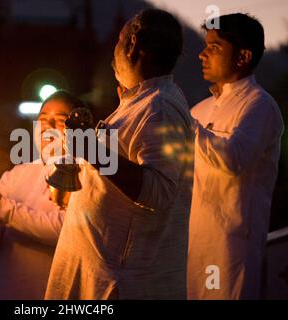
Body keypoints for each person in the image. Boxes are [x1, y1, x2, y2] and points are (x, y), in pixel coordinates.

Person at [44, 9, 194, 299]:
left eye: (118, 40)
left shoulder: (159, 107)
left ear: (134, 43)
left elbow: (160, 191)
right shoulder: (142, 102)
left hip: (117, 283)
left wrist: (90, 148)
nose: (114, 51)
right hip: (99, 270)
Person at [187, 13, 284, 299]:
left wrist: (185, 125)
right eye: (205, 45)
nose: (202, 54)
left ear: (243, 57)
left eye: (214, 47)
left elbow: (234, 158)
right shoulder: (199, 110)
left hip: (230, 253)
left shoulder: (260, 106)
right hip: (192, 248)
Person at [0, 91, 87, 299]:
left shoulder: (86, 175)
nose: (47, 125)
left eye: (59, 120)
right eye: (42, 119)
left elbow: (66, 232)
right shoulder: (16, 175)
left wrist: (1, 208)